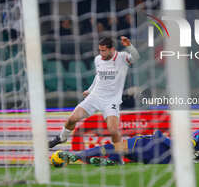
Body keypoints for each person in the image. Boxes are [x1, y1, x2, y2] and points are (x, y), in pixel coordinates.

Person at [48, 36, 140, 164]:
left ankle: (119, 158)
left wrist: (129, 45)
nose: (101, 54)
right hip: (95, 97)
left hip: (111, 101)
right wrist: (90, 90)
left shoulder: (122, 57)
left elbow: (136, 57)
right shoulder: (98, 59)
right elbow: (98, 77)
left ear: (111, 49)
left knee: (113, 131)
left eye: (103, 51)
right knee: (71, 119)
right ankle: (62, 137)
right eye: (100, 50)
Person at [57, 125, 199, 166]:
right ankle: (110, 163)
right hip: (164, 161)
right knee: (125, 154)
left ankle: (76, 155)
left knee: (115, 146)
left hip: (159, 148)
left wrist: (160, 136)